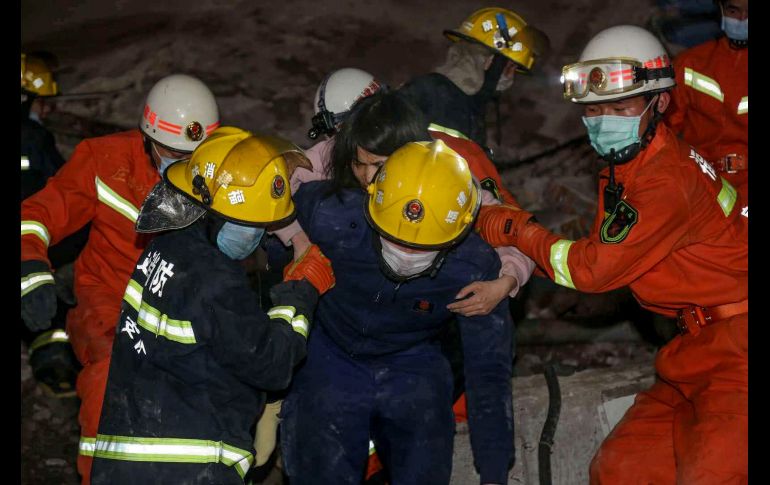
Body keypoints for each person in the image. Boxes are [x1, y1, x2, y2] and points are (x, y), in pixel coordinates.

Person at [476, 25, 747, 483]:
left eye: (620, 108)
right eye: (594, 109)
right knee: (621, 469)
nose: (604, 120)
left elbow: (592, 269)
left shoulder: (664, 180)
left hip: (737, 352)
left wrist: (511, 226)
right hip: (692, 348)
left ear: (660, 103)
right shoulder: (625, 167)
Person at [89, 127, 334, 484]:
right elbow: (272, 364)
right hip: (191, 467)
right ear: (211, 213)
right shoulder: (216, 279)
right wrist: (300, 291)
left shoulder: (163, 250)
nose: (257, 234)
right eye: (248, 224)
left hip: (122, 460)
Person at [21, 73, 220, 483]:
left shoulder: (220, 169)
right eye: (171, 151)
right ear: (147, 136)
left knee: (213, 389)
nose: (182, 163)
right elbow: (37, 214)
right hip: (110, 299)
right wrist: (30, 269)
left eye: (191, 155)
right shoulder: (104, 161)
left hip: (184, 303)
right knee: (111, 382)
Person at [281, 139, 515, 485]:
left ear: (459, 233)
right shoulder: (329, 214)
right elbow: (268, 213)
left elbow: (489, 371)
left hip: (413, 361)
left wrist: (494, 473)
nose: (405, 252)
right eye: (393, 239)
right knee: (318, 459)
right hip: (330, 351)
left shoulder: (474, 267)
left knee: (425, 456)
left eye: (421, 246)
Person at [400, 7, 548, 154]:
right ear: (489, 61)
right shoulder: (427, 90)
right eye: (509, 67)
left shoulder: (473, 113)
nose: (510, 76)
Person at [665, 0, 748, 202]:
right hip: (701, 180)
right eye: (733, 11)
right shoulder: (689, 64)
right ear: (721, 11)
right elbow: (664, 131)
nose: (741, 19)